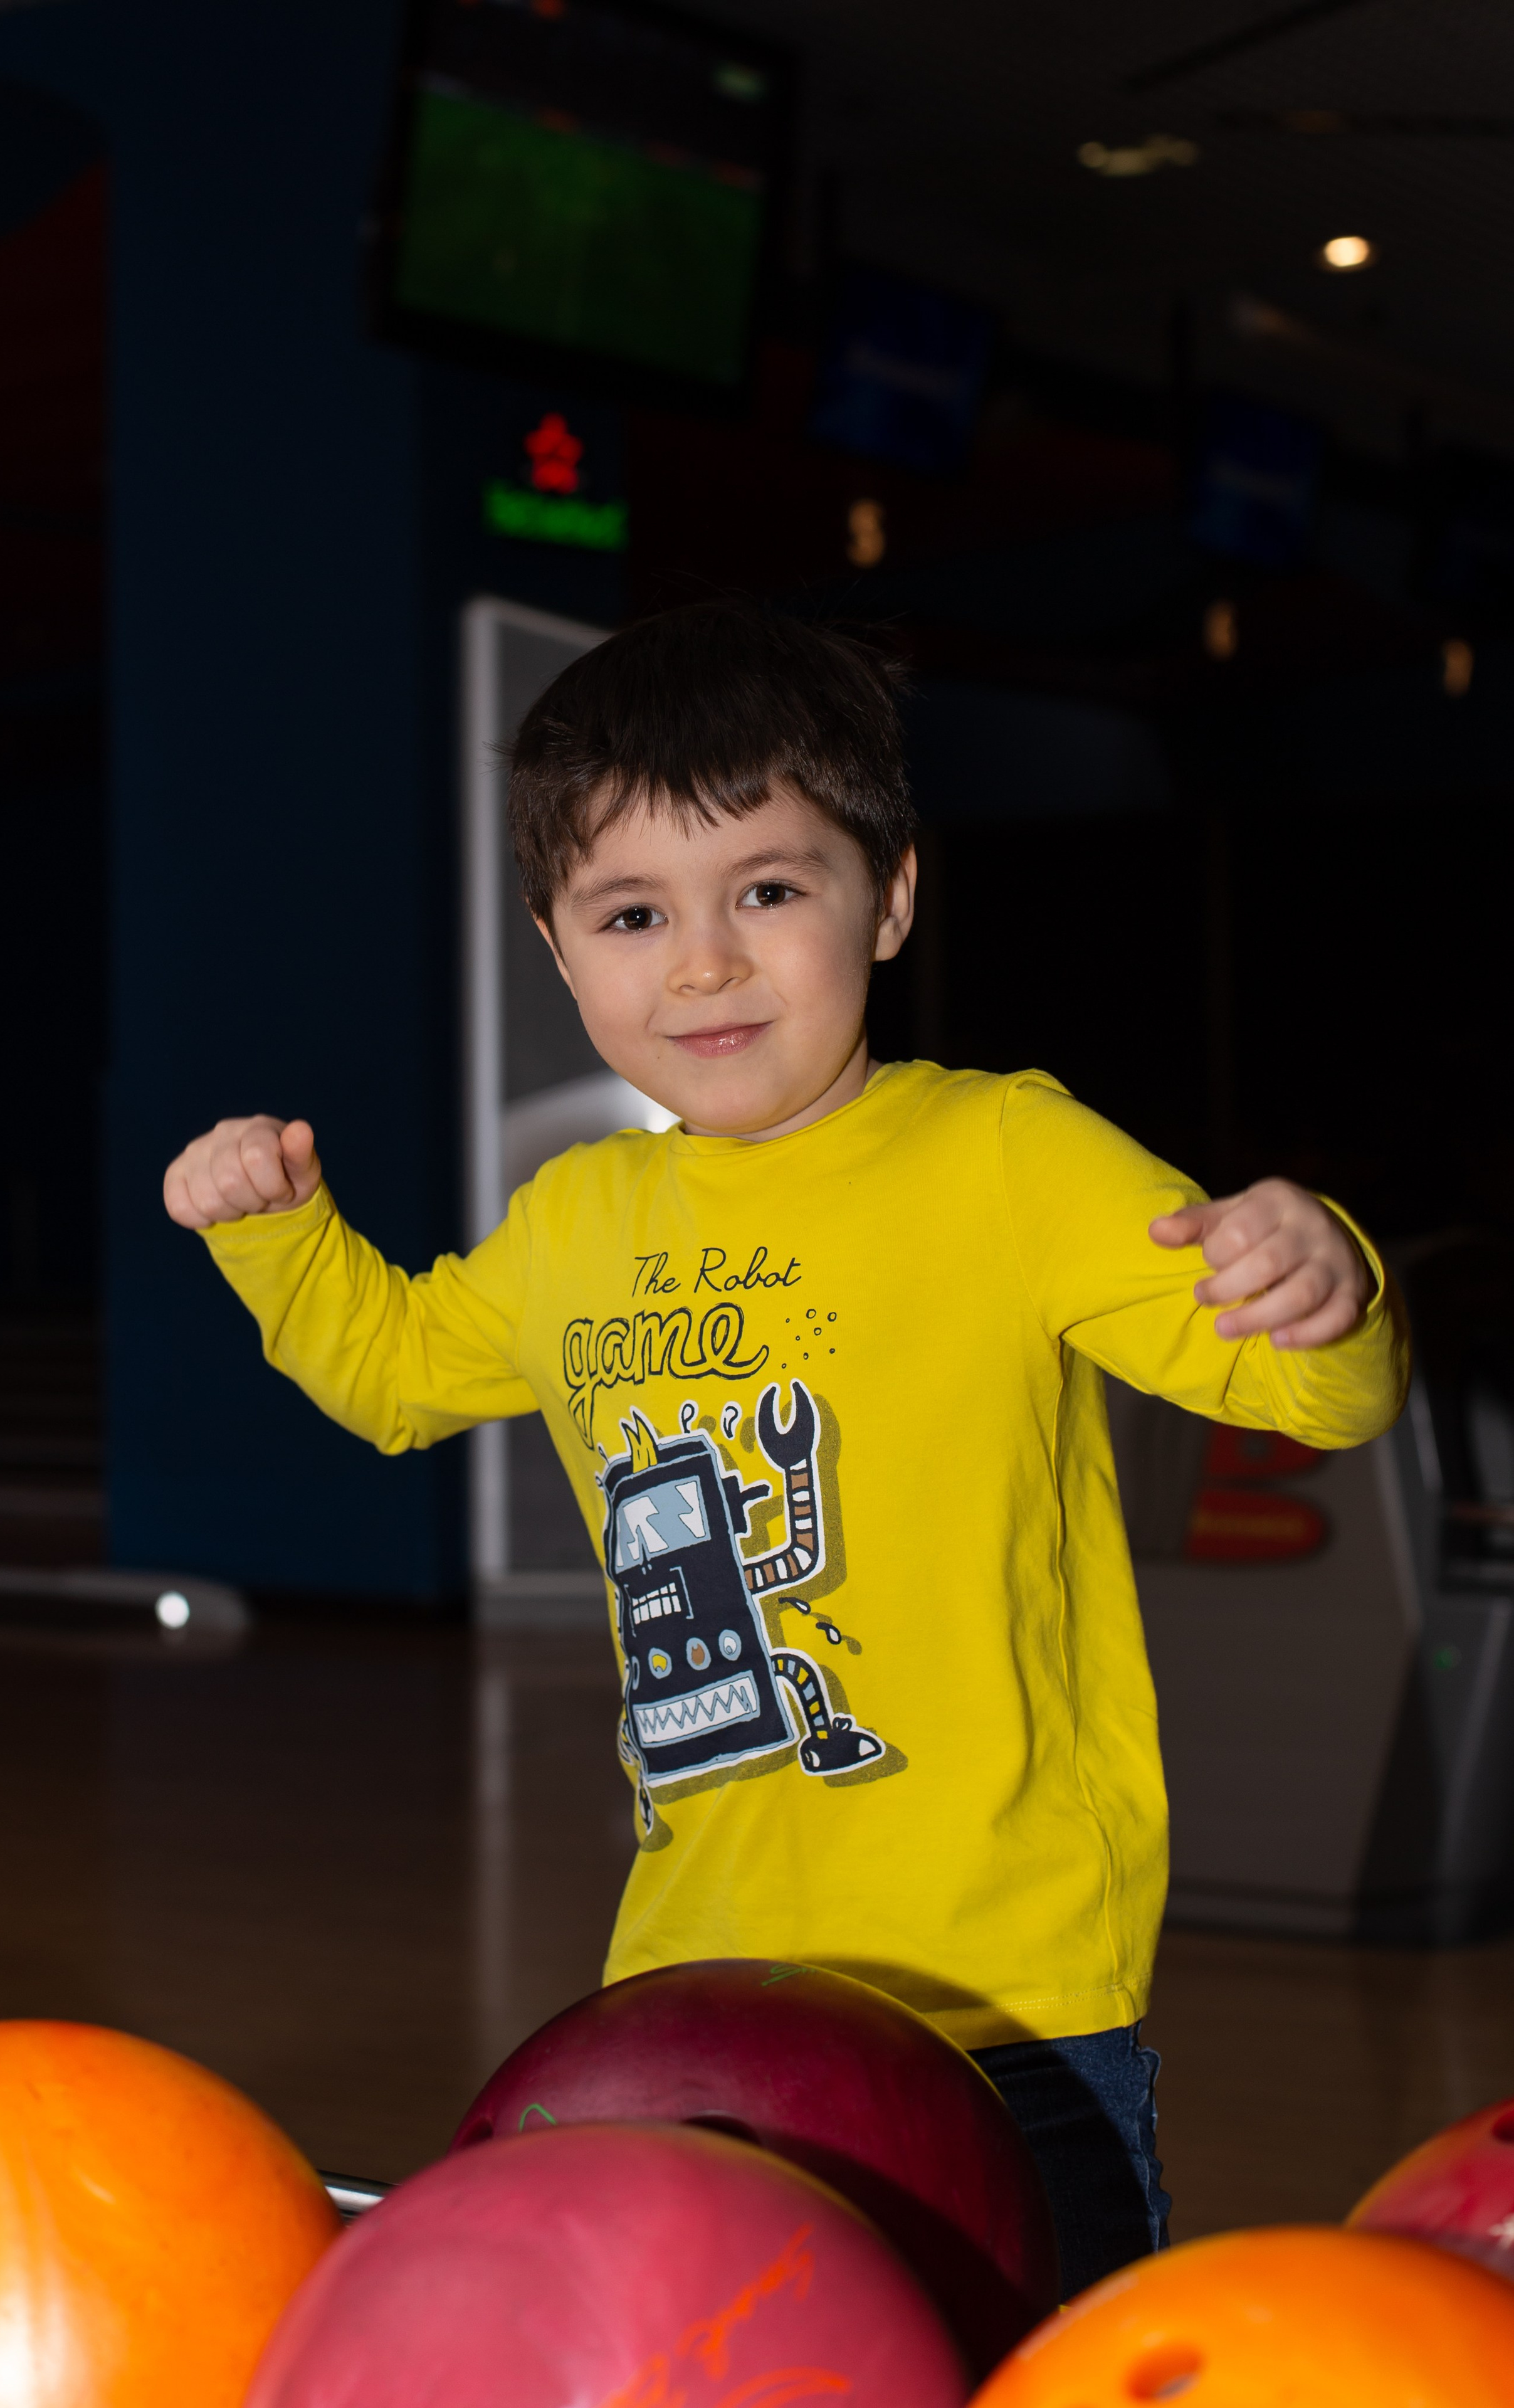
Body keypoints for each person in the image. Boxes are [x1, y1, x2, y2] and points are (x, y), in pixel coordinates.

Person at [164, 601, 1408, 2298]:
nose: (704, 965)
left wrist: (1324, 1283)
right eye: (633, 914)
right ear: (557, 951)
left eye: (766, 889)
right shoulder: (578, 1218)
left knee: (1025, 2367)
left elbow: (1308, 1397)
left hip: (1008, 2003)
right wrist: (278, 1237)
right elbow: (394, 1375)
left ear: (886, 898)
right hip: (697, 1986)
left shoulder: (1005, 1157)